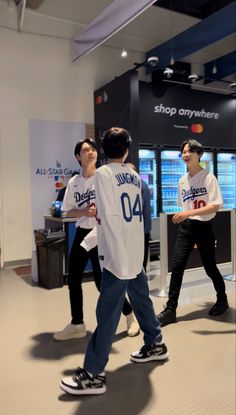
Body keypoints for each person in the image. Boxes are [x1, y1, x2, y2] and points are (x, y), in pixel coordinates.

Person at [60, 127, 168, 396]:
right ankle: (155, 343)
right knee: (142, 301)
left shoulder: (103, 176)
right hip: (134, 252)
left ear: (104, 150)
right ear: (127, 150)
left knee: (107, 314)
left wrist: (89, 244)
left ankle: (94, 374)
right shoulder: (133, 175)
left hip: (116, 257)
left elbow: (106, 218)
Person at [53, 138, 139, 341]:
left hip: (102, 233)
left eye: (93, 149)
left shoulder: (104, 176)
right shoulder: (74, 182)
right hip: (84, 233)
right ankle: (77, 324)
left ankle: (129, 315)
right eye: (86, 150)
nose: (91, 153)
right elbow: (67, 210)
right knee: (73, 279)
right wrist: (84, 211)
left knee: (103, 283)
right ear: (78, 156)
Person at [157, 139, 229, 327]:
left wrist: (189, 213)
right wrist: (187, 215)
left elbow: (215, 206)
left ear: (199, 154)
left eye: (190, 151)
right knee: (177, 267)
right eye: (183, 152)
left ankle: (222, 300)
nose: (186, 155)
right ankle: (171, 309)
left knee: (210, 267)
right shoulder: (182, 180)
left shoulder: (209, 178)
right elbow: (184, 205)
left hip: (204, 228)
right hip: (186, 228)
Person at [126, 163, 152, 271]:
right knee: (141, 256)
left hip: (139, 228)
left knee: (138, 257)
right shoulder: (143, 184)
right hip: (143, 227)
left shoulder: (137, 185)